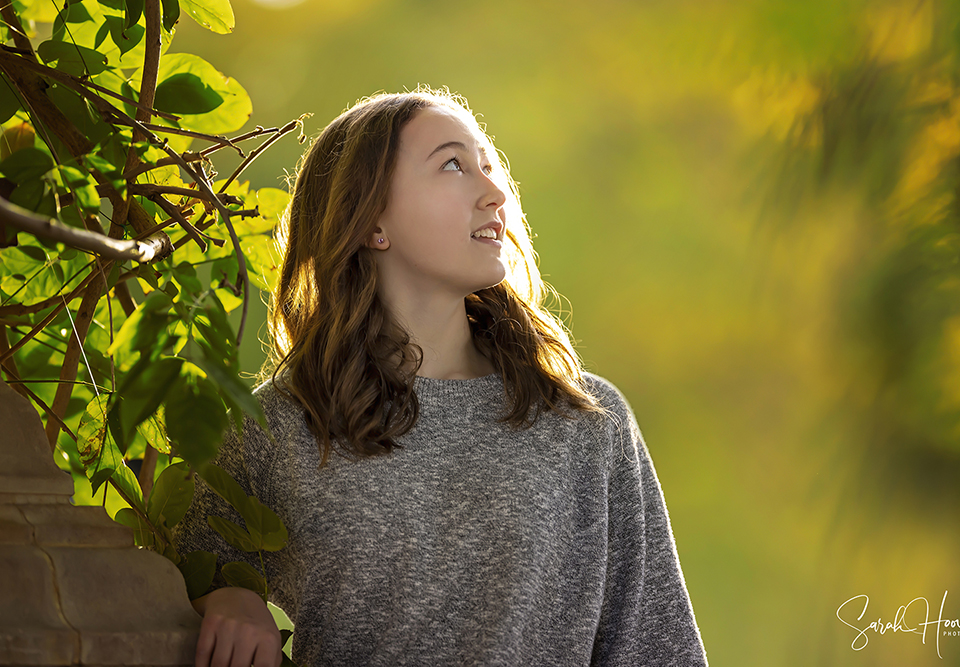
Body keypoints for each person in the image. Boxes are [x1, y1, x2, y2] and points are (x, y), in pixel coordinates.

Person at [172, 87, 708, 667]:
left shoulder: (585, 421)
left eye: (489, 165)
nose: (495, 193)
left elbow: (656, 648)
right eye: (453, 165)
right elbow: (185, 567)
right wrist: (228, 596)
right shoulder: (274, 424)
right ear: (371, 220)